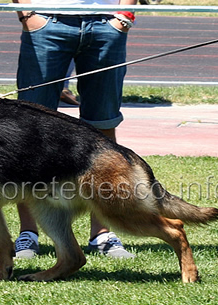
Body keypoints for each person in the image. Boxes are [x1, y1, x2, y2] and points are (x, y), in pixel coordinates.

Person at [13, 0, 137, 259]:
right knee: (31, 134)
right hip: (45, 21)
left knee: (103, 129)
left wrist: (124, 15)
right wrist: (28, 14)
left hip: (106, 24)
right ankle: (28, 233)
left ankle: (101, 232)